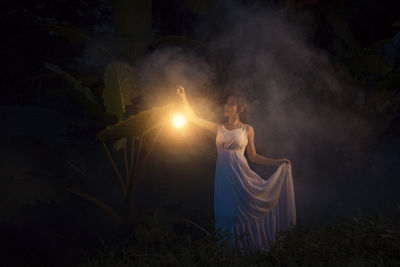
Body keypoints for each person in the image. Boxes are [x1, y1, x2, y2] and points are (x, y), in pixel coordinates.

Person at [176, 86, 296, 253]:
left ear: (240, 109)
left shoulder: (247, 129)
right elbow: (193, 118)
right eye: (226, 103)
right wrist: (183, 97)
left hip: (242, 177)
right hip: (223, 178)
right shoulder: (218, 128)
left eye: (231, 104)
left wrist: (278, 162)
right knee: (226, 215)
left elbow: (253, 157)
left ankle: (251, 253)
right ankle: (231, 256)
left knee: (243, 214)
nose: (226, 106)